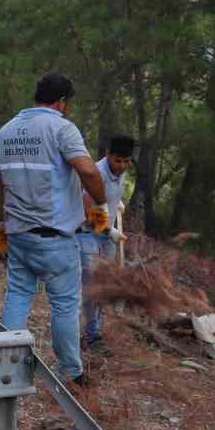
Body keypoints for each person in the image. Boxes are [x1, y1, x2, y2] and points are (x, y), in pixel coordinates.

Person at [0, 73, 111, 387]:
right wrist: (100, 204)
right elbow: (87, 170)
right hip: (56, 238)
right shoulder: (61, 128)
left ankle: (5, 366)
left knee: (17, 296)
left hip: (19, 235)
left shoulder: (4, 133)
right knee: (65, 305)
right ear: (62, 103)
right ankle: (71, 371)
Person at [77, 134, 135, 357]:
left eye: (127, 161)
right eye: (118, 160)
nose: (122, 166)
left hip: (106, 237)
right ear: (108, 155)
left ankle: (94, 333)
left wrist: (115, 203)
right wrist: (108, 230)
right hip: (87, 234)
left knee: (104, 286)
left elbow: (106, 200)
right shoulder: (97, 172)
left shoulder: (120, 174)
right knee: (92, 286)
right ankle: (89, 336)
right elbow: (87, 207)